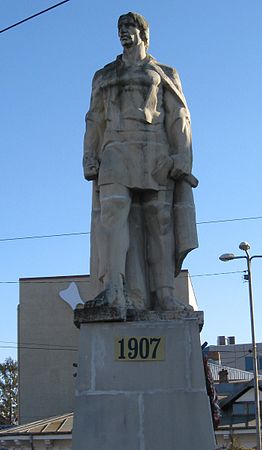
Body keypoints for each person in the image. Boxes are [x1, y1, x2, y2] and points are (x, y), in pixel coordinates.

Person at [83, 12, 198, 313]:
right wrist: (88, 155)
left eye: (129, 26)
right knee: (113, 216)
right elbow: (94, 118)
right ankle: (115, 290)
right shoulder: (104, 75)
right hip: (115, 149)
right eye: (120, 27)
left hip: (154, 149)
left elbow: (179, 116)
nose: (123, 32)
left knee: (158, 223)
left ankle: (163, 294)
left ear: (144, 34)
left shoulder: (164, 72)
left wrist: (182, 156)